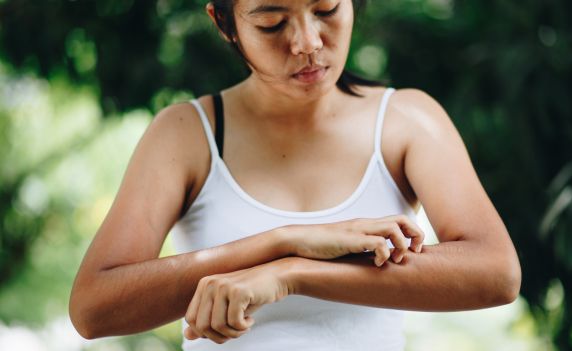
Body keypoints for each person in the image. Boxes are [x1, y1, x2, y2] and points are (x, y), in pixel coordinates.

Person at [69, 0, 522, 350]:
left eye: (326, 9)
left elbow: (495, 272)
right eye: (272, 22)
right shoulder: (186, 133)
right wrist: (280, 242)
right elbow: (94, 307)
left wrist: (293, 273)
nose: (307, 42)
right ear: (225, 24)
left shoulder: (407, 120)